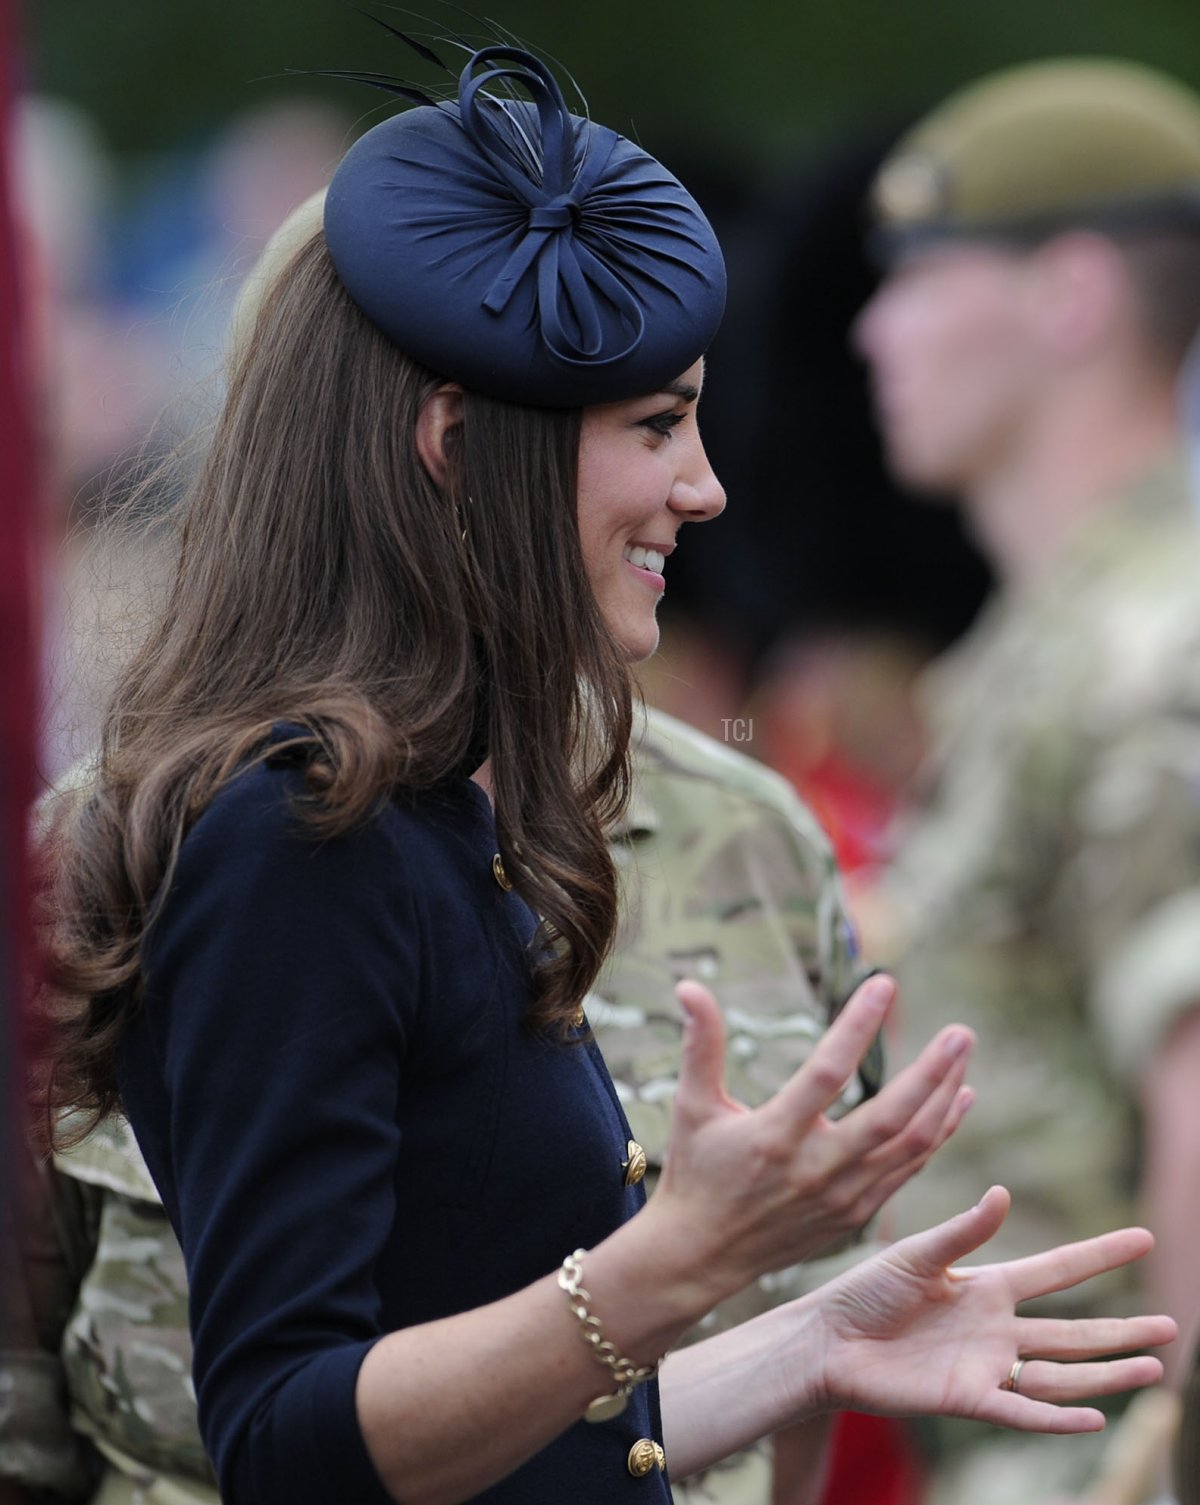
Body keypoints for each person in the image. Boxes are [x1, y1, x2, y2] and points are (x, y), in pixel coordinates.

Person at [35, 39, 1172, 1505]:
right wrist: (674, 1259)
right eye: (654, 425)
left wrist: (815, 1335)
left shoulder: (444, 816)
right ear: (457, 445)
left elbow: (514, 1452)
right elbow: (291, 1441)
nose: (703, 486)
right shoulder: (298, 829)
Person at [853, 56, 1200, 1503]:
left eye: (922, 272)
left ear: (1071, 293)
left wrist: (1162, 1456)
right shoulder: (1049, 646)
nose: (876, 330)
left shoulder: (1151, 647)